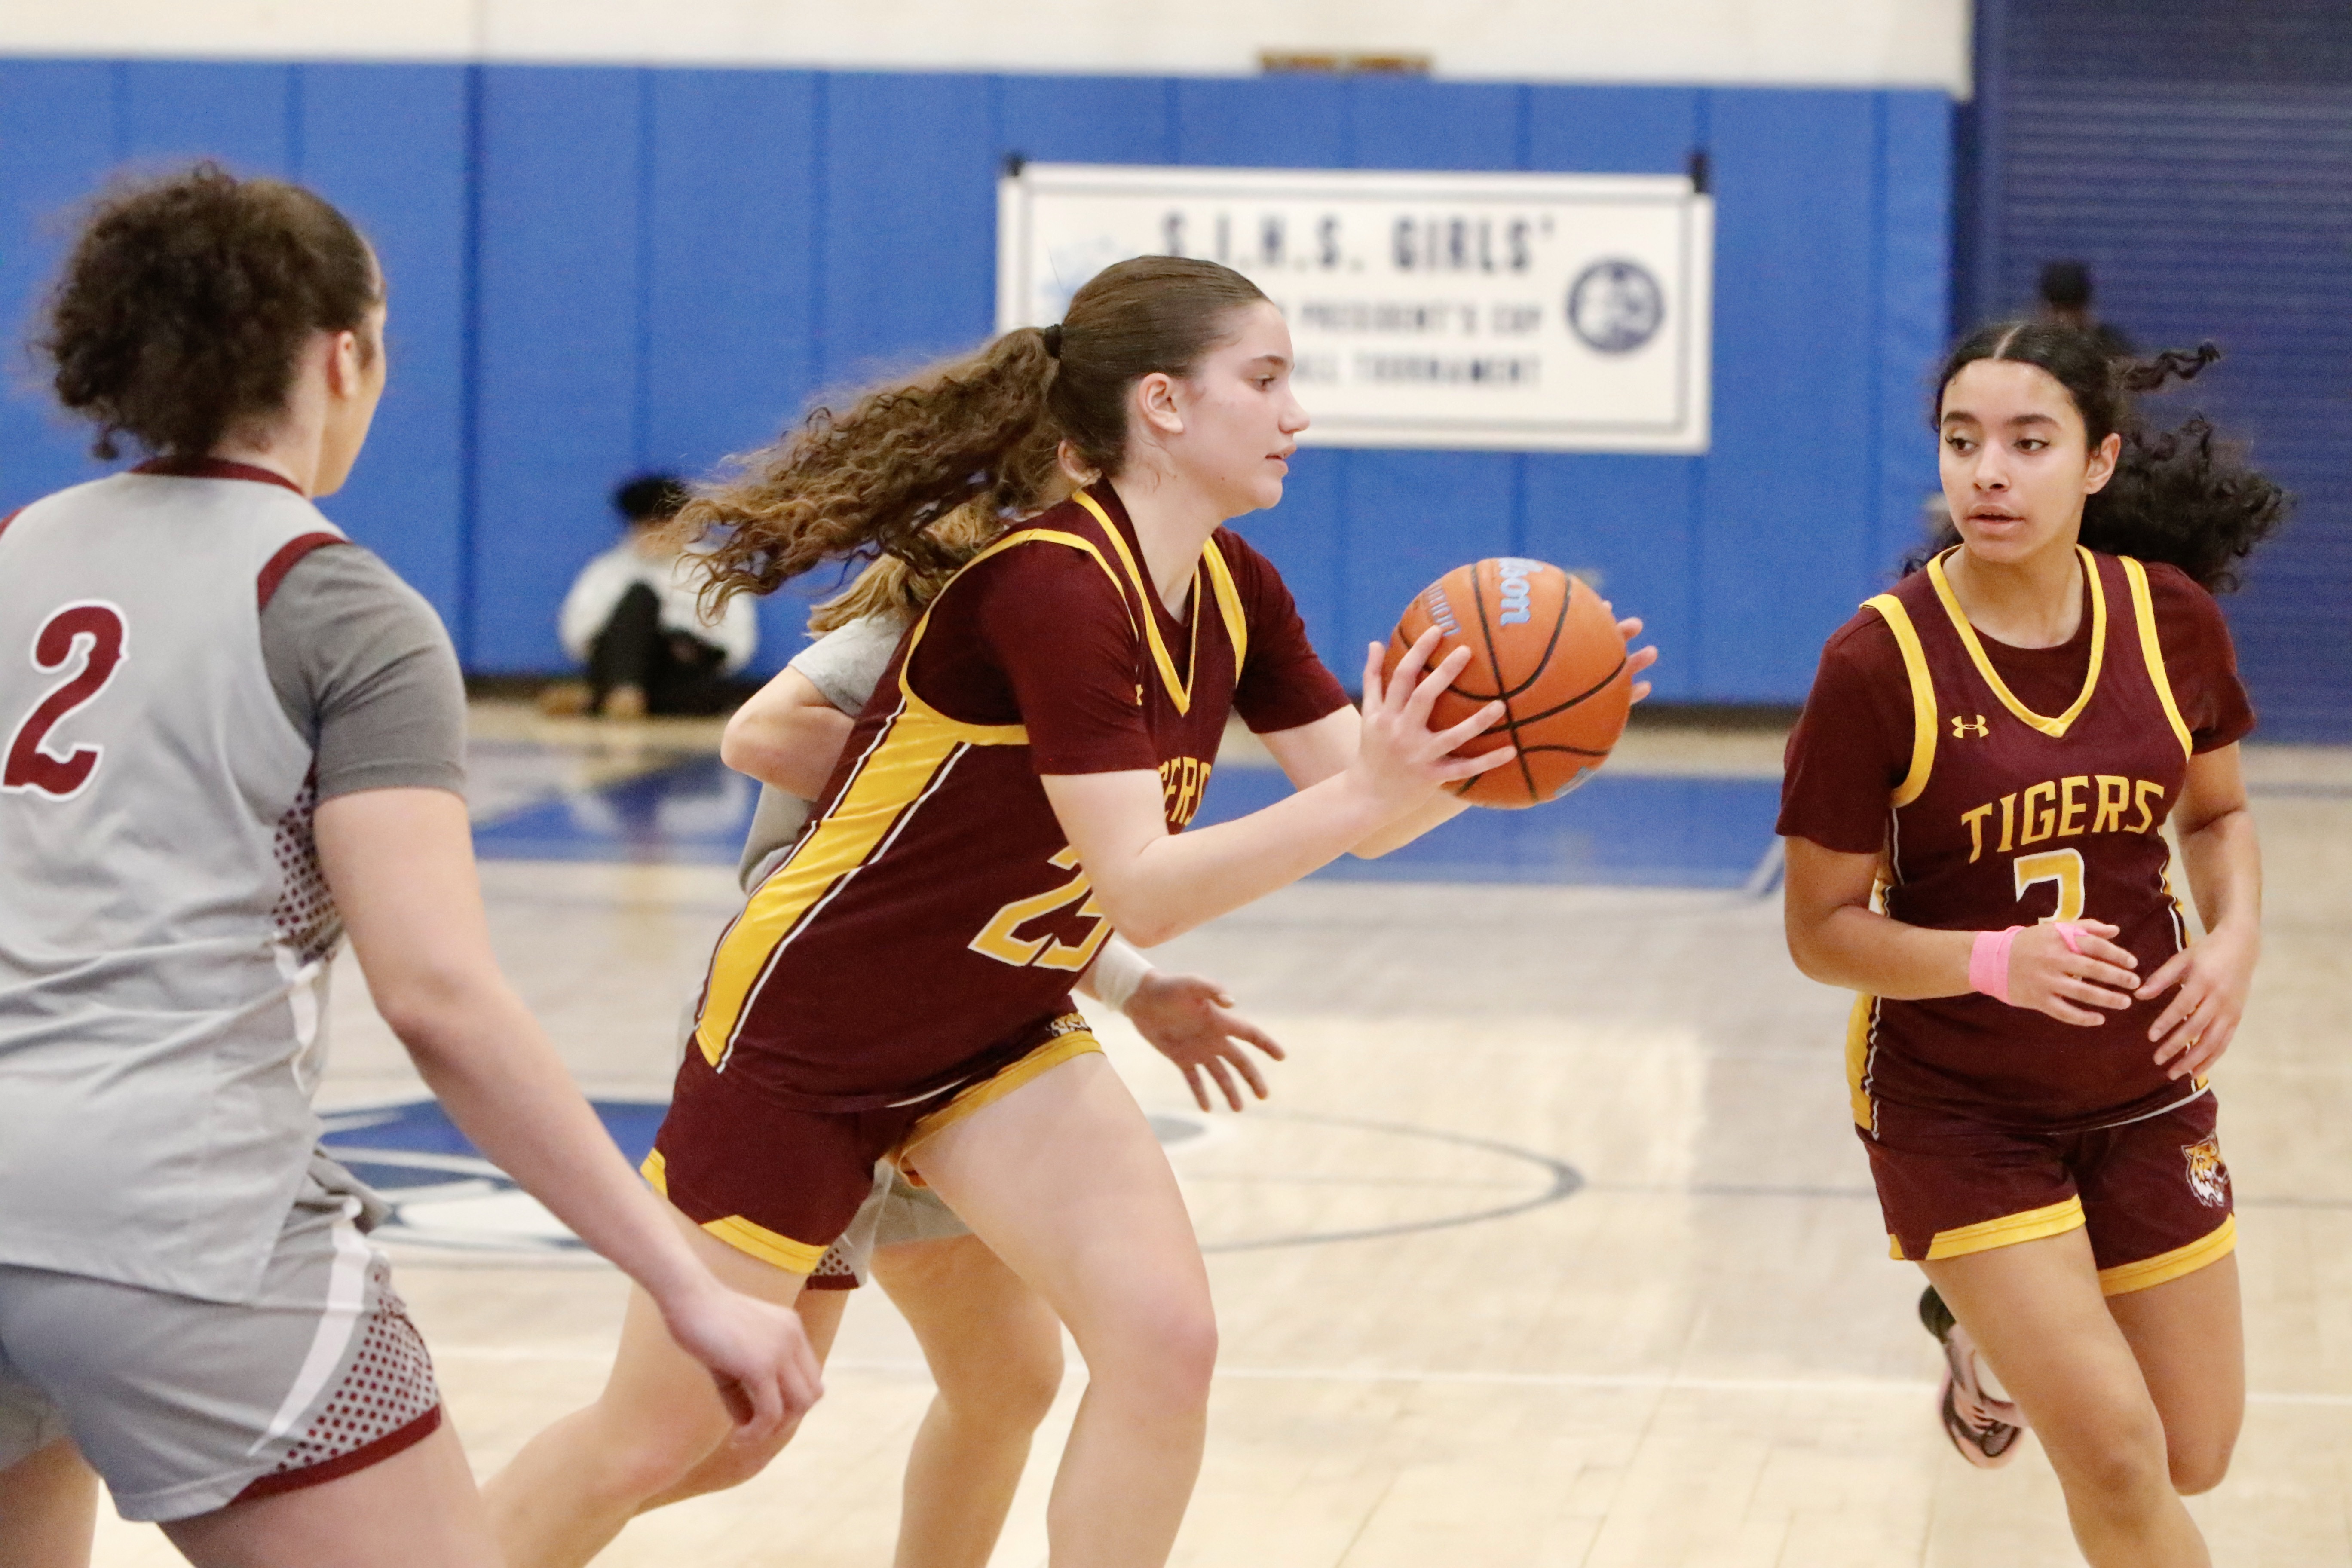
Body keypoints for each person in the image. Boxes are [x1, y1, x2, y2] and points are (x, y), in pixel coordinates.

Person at [484, 254, 1657, 1568]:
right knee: (691, 1438)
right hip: (808, 1037)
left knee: (1163, 1341)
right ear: (1163, 402)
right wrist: (1369, 793)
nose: (1297, 413)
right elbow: (1144, 882)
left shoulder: (1235, 588)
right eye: (1265, 379)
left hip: (990, 1031)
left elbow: (1363, 812)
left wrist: (1492, 758)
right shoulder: (1051, 585)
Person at [0, 164, 821, 1568]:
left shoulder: (21, 548)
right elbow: (439, 998)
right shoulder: (339, 605)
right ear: (344, 354)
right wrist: (683, 1277)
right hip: (174, 1220)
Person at [590, 518, 1297, 1567]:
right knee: (722, 1434)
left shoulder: (1160, 611)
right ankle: (464, 1539)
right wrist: (946, 780)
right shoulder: (974, 603)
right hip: (826, 1035)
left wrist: (1130, 983)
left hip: (964, 1044)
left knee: (1009, 1380)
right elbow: (760, 733)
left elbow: (1010, 879)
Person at [1779, 321, 2285, 1567]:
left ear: (2099, 463)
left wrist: (2234, 942)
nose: (1988, 472)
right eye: (1962, 443)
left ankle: (1972, 1334)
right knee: (2113, 1459)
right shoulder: (1875, 664)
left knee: (2190, 1451)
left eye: (2027, 442)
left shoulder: (2168, 621)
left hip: (2139, 1084)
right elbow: (1820, 933)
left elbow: (2216, 816)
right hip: (1958, 1102)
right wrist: (1990, 961)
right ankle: (1988, 1302)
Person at [545, 472, 758, 719]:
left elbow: (738, 641)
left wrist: (681, 640)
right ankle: (625, 690)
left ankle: (599, 700)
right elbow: (578, 633)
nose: (658, 533)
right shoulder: (608, 569)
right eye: (649, 525)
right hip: (620, 661)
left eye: (665, 523)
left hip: (683, 664)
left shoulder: (710, 569)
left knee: (704, 695)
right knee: (640, 596)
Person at [2037, 260, 2137, 363]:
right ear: (2043, 309)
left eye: (2072, 310)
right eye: (2057, 309)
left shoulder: (2111, 349)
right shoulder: (2031, 350)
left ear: (2085, 309)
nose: (2064, 319)